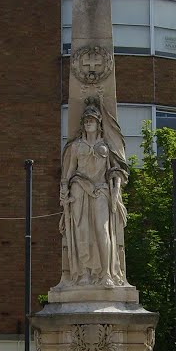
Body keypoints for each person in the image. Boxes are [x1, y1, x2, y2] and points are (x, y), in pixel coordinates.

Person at [59, 96, 130, 287]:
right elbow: (67, 173)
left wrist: (116, 176)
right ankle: (83, 273)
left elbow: (119, 169)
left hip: (101, 190)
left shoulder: (106, 146)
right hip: (79, 191)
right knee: (82, 232)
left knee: (102, 230)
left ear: (99, 124)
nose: (89, 123)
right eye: (86, 120)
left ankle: (106, 273)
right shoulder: (76, 146)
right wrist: (64, 190)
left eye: (92, 120)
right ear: (83, 124)